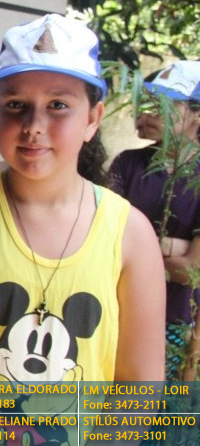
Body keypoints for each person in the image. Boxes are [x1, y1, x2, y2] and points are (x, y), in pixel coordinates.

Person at [0, 14, 165, 386]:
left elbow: (140, 387)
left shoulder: (130, 233)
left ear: (93, 119)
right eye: (16, 105)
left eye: (58, 105)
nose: (33, 126)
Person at [109, 60, 200, 380]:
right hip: (116, 313)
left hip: (178, 324)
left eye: (163, 105)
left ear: (196, 115)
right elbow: (105, 243)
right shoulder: (127, 163)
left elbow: (192, 271)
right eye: (146, 103)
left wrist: (136, 251)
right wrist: (174, 245)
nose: (148, 113)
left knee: (165, 405)